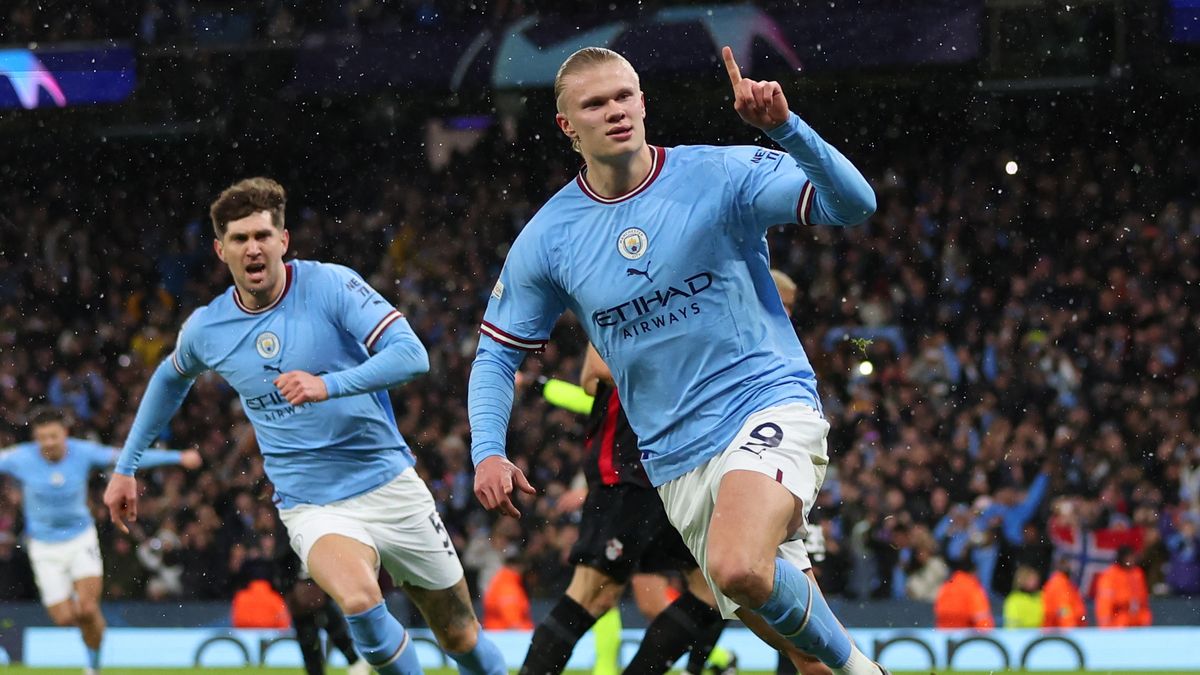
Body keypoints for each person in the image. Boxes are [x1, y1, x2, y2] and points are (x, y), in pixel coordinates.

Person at [467, 46, 882, 675]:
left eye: (624, 96)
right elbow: (497, 353)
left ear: (642, 101)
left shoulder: (720, 173)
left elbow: (854, 206)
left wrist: (785, 130)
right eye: (594, 103)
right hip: (673, 462)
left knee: (737, 564)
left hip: (765, 405)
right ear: (567, 127)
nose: (614, 111)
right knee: (799, 647)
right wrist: (487, 450)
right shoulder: (550, 237)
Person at [104, 177, 505, 675]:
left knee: (459, 634)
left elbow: (411, 356)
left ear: (283, 241)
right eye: (239, 239)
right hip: (312, 504)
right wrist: (127, 467)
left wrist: (329, 385)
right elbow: (169, 380)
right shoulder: (208, 328)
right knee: (359, 601)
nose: (253, 248)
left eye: (263, 236)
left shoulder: (331, 284)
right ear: (219, 249)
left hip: (389, 483)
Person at [520, 344, 726, 675]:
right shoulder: (623, 301)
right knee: (594, 593)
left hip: (675, 471)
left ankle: (708, 664)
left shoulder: (694, 307)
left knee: (714, 590)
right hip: (627, 472)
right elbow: (593, 377)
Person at [0, 407, 200, 675]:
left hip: (80, 540)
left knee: (88, 608)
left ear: (65, 434)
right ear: (35, 438)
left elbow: (126, 458)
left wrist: (177, 456)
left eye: (53, 436)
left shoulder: (82, 452)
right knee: (64, 619)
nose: (48, 443)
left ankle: (92, 666)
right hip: (44, 548)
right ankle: (87, 629)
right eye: (42, 438)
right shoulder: (19, 458)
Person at [1094, 546, 1152, 628]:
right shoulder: (1110, 575)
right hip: (1118, 621)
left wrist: (1146, 620)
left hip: (1137, 620)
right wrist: (1105, 625)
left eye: (1133, 557)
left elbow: (1144, 600)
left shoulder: (1137, 573)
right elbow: (1104, 603)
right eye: (1128, 557)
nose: (1131, 560)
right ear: (1121, 558)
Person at [933, 559, 995, 629]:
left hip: (943, 634)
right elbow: (982, 618)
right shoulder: (972, 588)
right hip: (967, 635)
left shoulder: (946, 587)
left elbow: (938, 610)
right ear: (973, 572)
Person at [1041, 558, 1087, 628]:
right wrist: (1070, 627)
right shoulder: (1059, 584)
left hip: (1064, 629)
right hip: (1061, 630)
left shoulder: (1065, 583)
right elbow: (1063, 609)